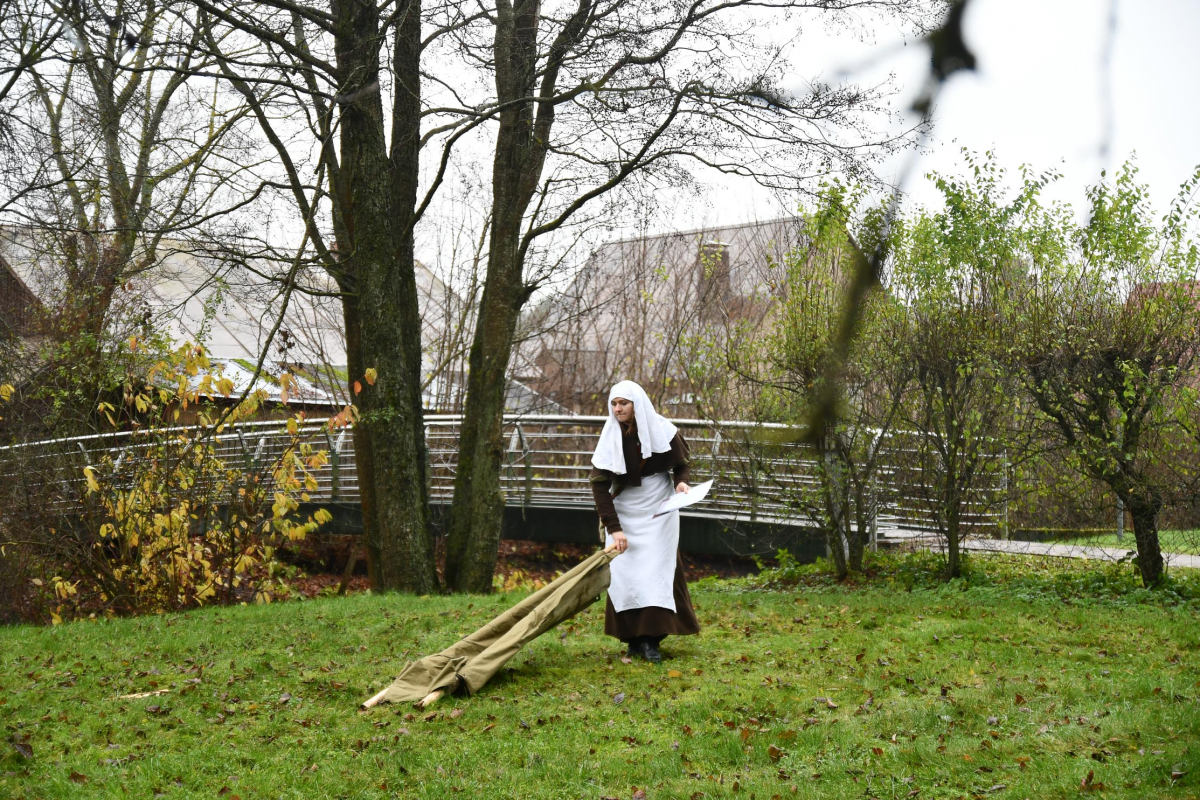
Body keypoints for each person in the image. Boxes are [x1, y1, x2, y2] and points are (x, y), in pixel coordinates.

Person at [590, 380, 700, 663]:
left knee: (654, 573)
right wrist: (614, 529)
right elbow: (600, 486)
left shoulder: (662, 428)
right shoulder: (610, 435)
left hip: (658, 510)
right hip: (624, 512)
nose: (617, 409)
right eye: (614, 404)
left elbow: (682, 464)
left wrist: (681, 484)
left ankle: (652, 640)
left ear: (636, 404)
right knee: (624, 576)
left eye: (623, 403)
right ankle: (632, 639)